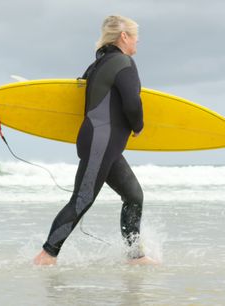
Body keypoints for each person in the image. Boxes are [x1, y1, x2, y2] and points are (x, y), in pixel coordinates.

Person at [34, 15, 157, 266]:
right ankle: (47, 255)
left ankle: (135, 256)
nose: (137, 41)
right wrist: (138, 126)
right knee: (82, 199)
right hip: (102, 143)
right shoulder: (124, 62)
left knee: (134, 195)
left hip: (102, 143)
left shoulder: (99, 64)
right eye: (135, 36)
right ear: (124, 37)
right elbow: (132, 102)